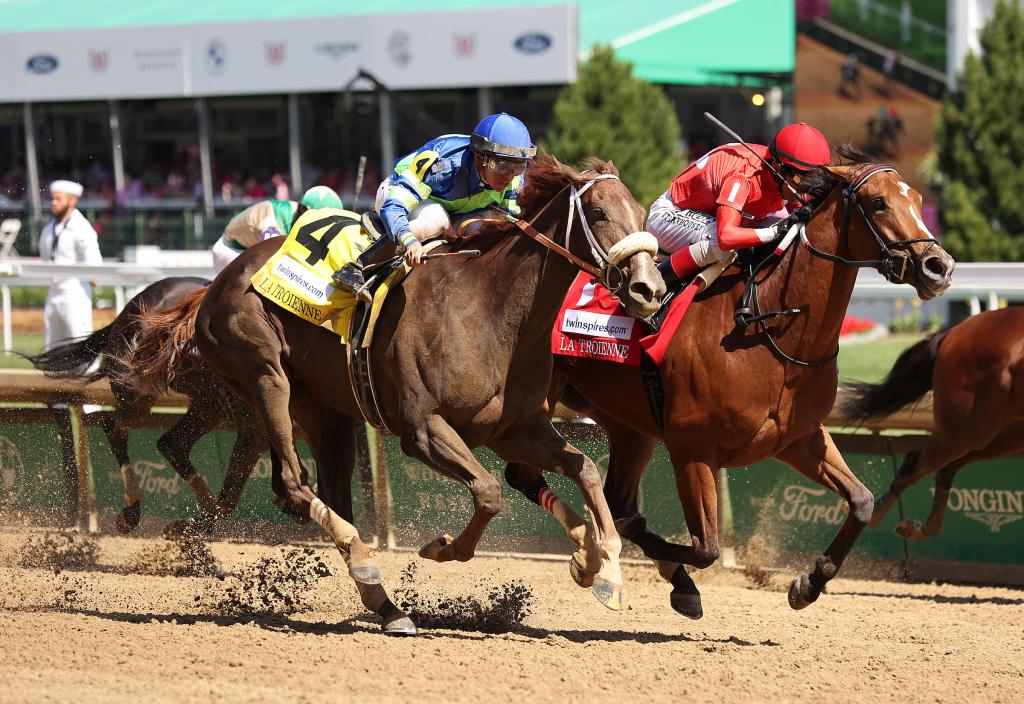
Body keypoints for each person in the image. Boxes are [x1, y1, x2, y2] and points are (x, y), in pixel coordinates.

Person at [332, 112, 536, 294]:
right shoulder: (442, 164)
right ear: (479, 157)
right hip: (401, 196)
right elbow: (394, 205)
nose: (509, 176)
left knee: (487, 229)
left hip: (459, 210)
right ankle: (357, 267)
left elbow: (509, 220)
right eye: (500, 165)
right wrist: (409, 241)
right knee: (436, 221)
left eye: (518, 167)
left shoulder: (515, 177)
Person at [645, 122, 832, 288]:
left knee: (786, 230)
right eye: (801, 180)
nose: (804, 191)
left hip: (713, 217)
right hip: (670, 214)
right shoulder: (743, 178)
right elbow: (726, 236)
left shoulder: (782, 175)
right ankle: (655, 284)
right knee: (722, 245)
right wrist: (775, 231)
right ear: (777, 168)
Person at [211, 185, 343, 273]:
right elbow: (271, 261)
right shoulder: (273, 221)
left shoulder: (300, 212)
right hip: (231, 249)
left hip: (251, 249)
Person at [38, 180, 103, 350]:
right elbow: (46, 258)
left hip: (75, 290)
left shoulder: (81, 227)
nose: (54, 203)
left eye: (59, 199)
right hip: (54, 290)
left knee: (80, 339)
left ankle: (87, 373)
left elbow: (92, 256)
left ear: (72, 201)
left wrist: (94, 277)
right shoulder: (48, 229)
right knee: (53, 344)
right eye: (53, 198)